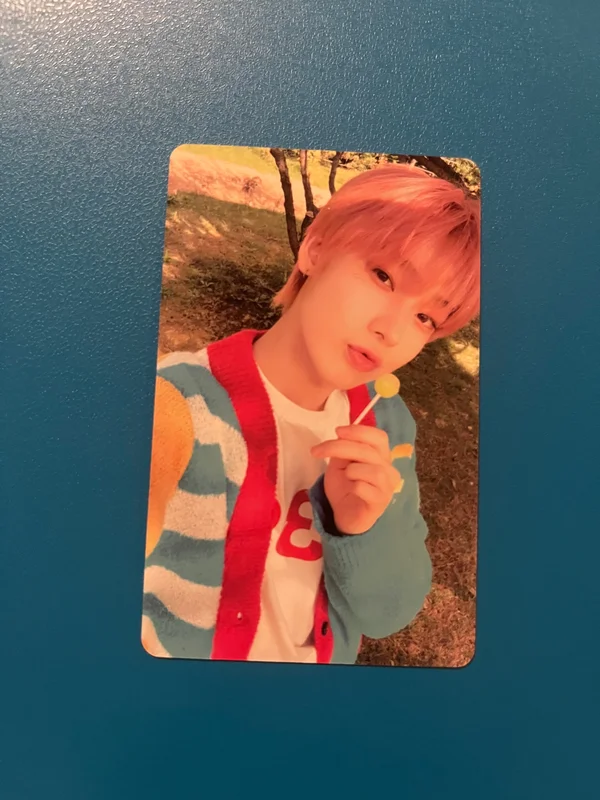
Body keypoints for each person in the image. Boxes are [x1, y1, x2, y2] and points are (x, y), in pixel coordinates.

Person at [141, 163, 481, 665]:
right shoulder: (177, 404)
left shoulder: (386, 426)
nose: (391, 331)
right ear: (315, 249)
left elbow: (389, 614)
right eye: (383, 276)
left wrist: (361, 528)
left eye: (425, 316)